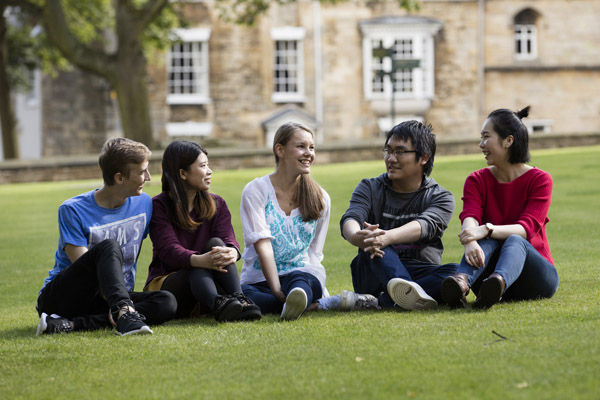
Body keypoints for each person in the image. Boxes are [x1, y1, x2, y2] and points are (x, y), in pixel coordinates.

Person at [36, 138, 177, 336]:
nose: (148, 177)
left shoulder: (144, 203)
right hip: (64, 297)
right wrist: (120, 304)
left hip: (110, 300)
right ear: (119, 178)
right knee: (109, 246)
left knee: (166, 302)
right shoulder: (72, 209)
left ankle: (70, 325)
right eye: (142, 171)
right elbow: (86, 267)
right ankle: (125, 314)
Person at [240, 122, 378, 321]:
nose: (309, 153)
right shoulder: (256, 191)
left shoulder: (321, 198)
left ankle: (299, 297)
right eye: (301, 146)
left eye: (312, 147)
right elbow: (263, 243)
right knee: (247, 297)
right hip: (259, 281)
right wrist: (278, 290)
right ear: (280, 149)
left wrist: (312, 285)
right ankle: (324, 304)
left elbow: (314, 252)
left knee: (301, 281)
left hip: (302, 275)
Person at [441, 106, 559, 309]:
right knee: (487, 240)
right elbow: (470, 215)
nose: (481, 144)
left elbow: (526, 228)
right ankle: (462, 282)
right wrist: (470, 240)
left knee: (511, 239)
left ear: (508, 141)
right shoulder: (476, 180)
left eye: (486, 137)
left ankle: (499, 281)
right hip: (486, 278)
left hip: (537, 279)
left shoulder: (540, 180)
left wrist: (487, 229)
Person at [340, 120, 457, 311]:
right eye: (388, 151)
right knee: (373, 244)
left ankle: (383, 301)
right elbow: (352, 216)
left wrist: (388, 237)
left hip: (419, 269)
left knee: (458, 274)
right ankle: (409, 293)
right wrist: (356, 236)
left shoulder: (441, 197)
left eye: (400, 152)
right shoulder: (369, 187)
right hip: (374, 268)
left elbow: (425, 225)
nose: (391, 158)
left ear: (424, 157)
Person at [144, 140, 261, 322]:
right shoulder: (159, 206)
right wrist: (200, 260)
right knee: (196, 266)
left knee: (216, 245)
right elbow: (168, 250)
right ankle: (217, 304)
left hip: (207, 281)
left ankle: (239, 299)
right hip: (170, 285)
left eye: (208, 165)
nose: (209, 171)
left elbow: (227, 238)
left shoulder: (217, 203)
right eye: (203, 166)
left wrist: (232, 251)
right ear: (182, 173)